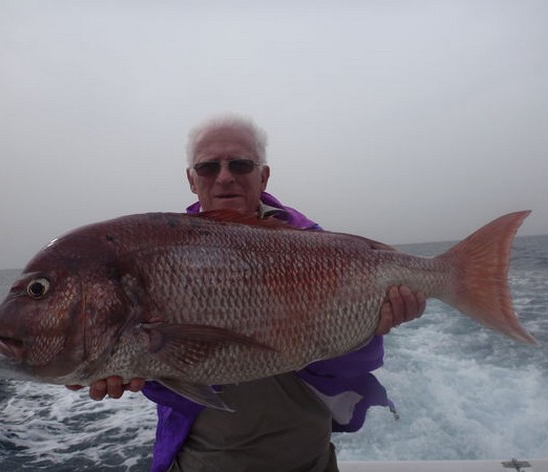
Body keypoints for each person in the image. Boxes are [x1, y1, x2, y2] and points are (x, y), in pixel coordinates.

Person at [69, 114, 425, 471]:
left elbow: (353, 369)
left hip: (307, 462)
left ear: (263, 175)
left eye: (240, 164)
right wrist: (126, 368)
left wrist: (374, 325)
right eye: (208, 167)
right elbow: (172, 386)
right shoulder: (158, 252)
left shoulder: (319, 252)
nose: (224, 177)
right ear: (192, 180)